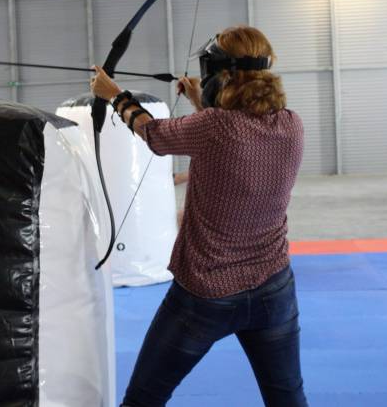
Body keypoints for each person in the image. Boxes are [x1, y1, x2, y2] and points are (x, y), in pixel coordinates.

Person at [90, 25, 308, 407]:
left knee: (143, 399)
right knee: (287, 399)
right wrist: (200, 103)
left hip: (205, 296)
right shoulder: (291, 123)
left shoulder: (215, 126)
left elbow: (155, 134)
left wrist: (114, 95)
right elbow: (237, 136)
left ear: (221, 74)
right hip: (274, 287)